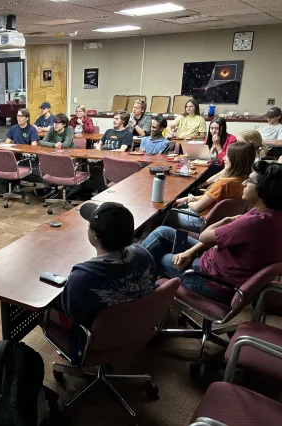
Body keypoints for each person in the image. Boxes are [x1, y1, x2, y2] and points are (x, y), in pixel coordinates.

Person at [142, 160, 282, 305]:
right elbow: (213, 240)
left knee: (154, 258)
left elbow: (204, 236)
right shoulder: (270, 212)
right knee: (163, 232)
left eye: (250, 180)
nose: (244, 183)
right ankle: (138, 283)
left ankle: (133, 292)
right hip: (220, 266)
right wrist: (190, 252)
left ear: (264, 189)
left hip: (212, 281)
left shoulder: (254, 223)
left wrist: (226, 220)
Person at [59, 202, 157, 363]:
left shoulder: (82, 279)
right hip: (137, 326)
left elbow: (71, 314)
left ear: (96, 235)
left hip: (95, 340)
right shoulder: (144, 254)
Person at [168, 142, 255, 232]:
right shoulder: (247, 182)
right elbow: (213, 197)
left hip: (203, 222)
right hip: (224, 224)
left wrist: (188, 202)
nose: (224, 158)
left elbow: (197, 207)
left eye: (228, 155)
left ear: (236, 160)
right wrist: (189, 198)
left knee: (165, 213)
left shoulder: (223, 184)